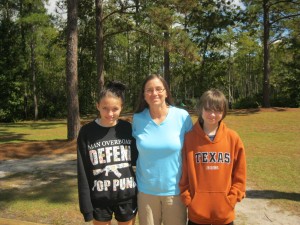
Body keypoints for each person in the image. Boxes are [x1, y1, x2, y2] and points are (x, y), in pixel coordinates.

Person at [132, 74, 193, 225]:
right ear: (144, 95)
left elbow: (192, 151)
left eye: (159, 89)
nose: (154, 93)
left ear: (166, 92)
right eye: (149, 90)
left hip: (175, 192)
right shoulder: (137, 119)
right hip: (146, 192)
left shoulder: (182, 116)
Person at [179, 89, 246, 225]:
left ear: (224, 112)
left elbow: (240, 176)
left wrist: (231, 200)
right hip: (196, 214)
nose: (213, 114)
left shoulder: (233, 138)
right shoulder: (190, 139)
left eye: (218, 110)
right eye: (208, 109)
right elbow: (183, 174)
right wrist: (188, 200)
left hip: (224, 215)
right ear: (201, 109)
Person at [77, 81, 138, 225]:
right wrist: (86, 206)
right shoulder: (87, 132)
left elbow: (139, 160)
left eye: (115, 108)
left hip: (127, 196)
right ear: (97, 106)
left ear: (121, 108)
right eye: (105, 108)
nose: (110, 113)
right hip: (99, 198)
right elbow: (83, 171)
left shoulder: (127, 129)